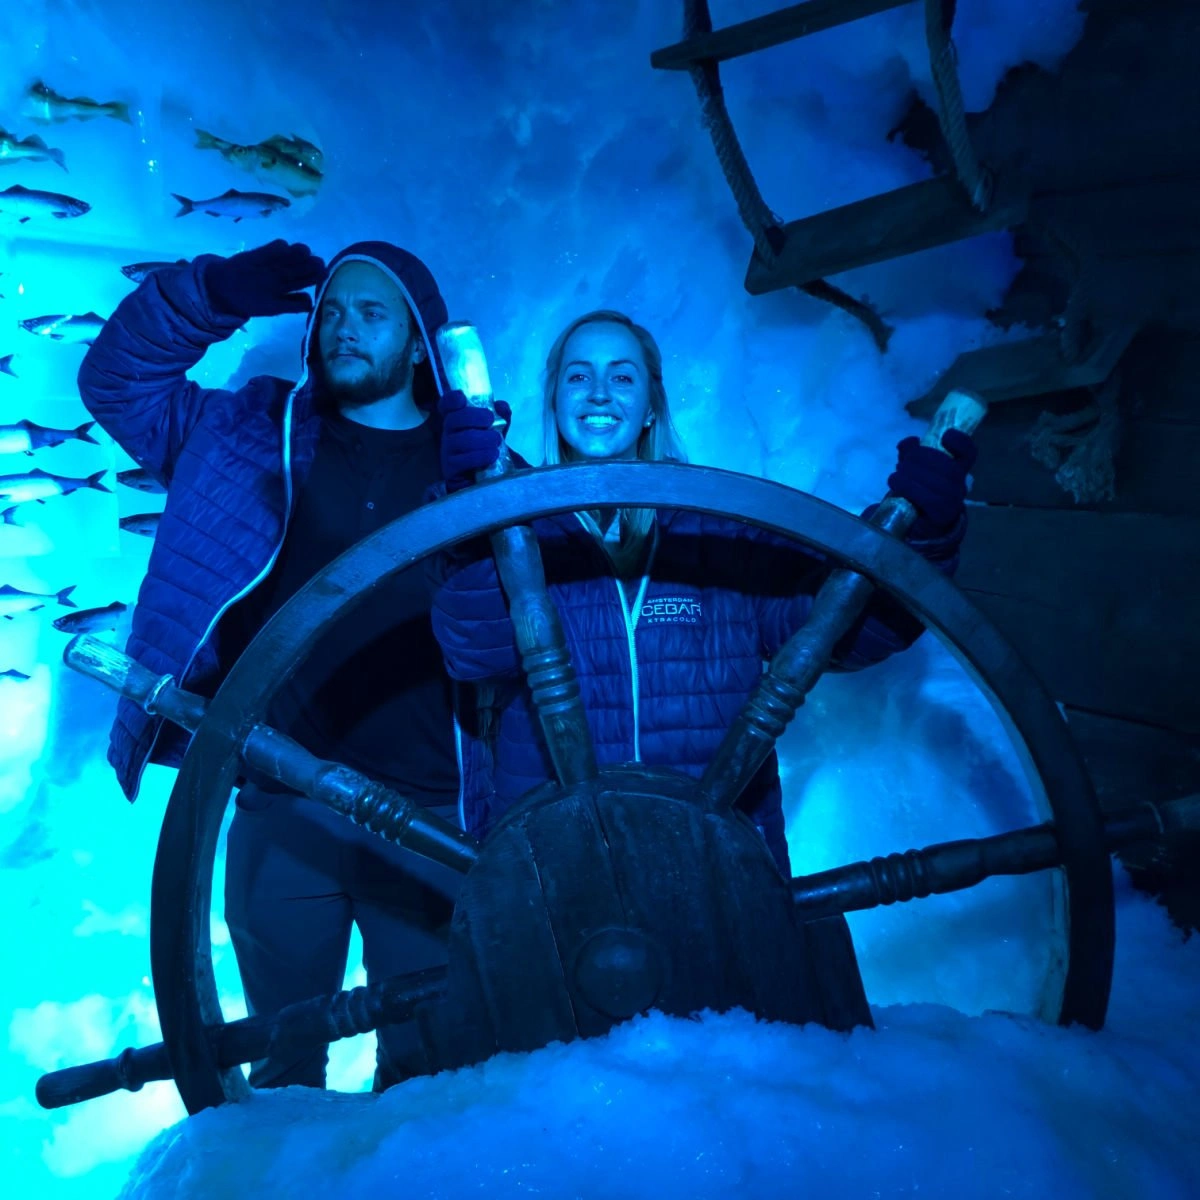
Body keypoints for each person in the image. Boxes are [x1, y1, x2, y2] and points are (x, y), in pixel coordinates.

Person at [78, 238, 480, 1091]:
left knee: (432, 1070)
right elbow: (115, 384)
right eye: (332, 311)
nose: (345, 328)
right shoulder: (243, 435)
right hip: (279, 797)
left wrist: (482, 487)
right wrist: (209, 293)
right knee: (283, 1061)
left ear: (418, 342)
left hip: (433, 813)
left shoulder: (476, 466)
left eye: (372, 314)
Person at [431, 309, 977, 876]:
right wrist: (471, 514)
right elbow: (476, 651)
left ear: (650, 408)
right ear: (554, 401)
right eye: (577, 376)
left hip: (715, 864)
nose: (598, 393)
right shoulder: (521, 537)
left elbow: (846, 628)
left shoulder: (721, 531)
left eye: (622, 377)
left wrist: (924, 538)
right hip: (558, 863)